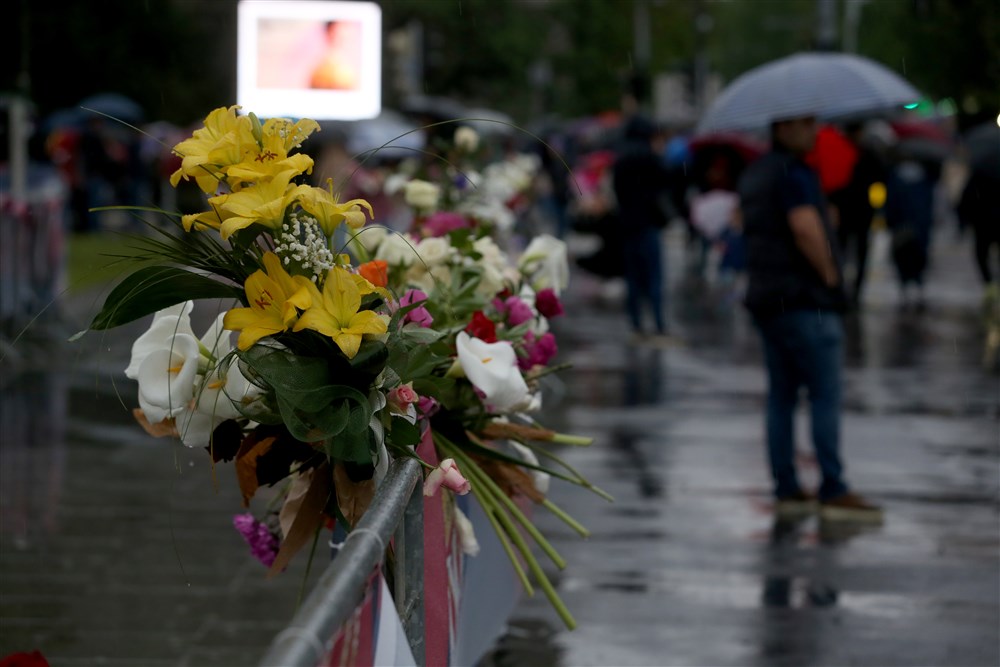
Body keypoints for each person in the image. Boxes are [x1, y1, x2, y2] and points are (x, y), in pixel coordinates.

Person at [738, 113, 882, 521]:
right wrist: (832, 275)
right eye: (805, 124)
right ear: (782, 127)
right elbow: (804, 228)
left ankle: (787, 486)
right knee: (824, 394)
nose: (813, 131)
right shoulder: (794, 173)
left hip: (768, 299)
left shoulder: (756, 173)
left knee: (781, 396)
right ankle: (832, 486)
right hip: (805, 299)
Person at [611, 115, 673, 343]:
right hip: (649, 224)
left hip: (627, 226)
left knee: (633, 279)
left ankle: (636, 325)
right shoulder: (652, 158)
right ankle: (658, 323)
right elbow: (665, 186)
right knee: (655, 277)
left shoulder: (621, 159)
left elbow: (616, 191)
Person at [827, 122, 886, 308]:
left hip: (854, 211)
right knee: (851, 251)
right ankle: (849, 290)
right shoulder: (863, 153)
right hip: (854, 211)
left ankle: (848, 290)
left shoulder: (861, 153)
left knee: (848, 251)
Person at [884, 155, 940, 311]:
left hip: (902, 226)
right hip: (920, 226)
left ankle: (906, 287)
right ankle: (917, 285)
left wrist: (891, 220)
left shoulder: (895, 176)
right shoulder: (925, 177)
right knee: (918, 257)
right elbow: (929, 203)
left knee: (903, 256)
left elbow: (891, 202)